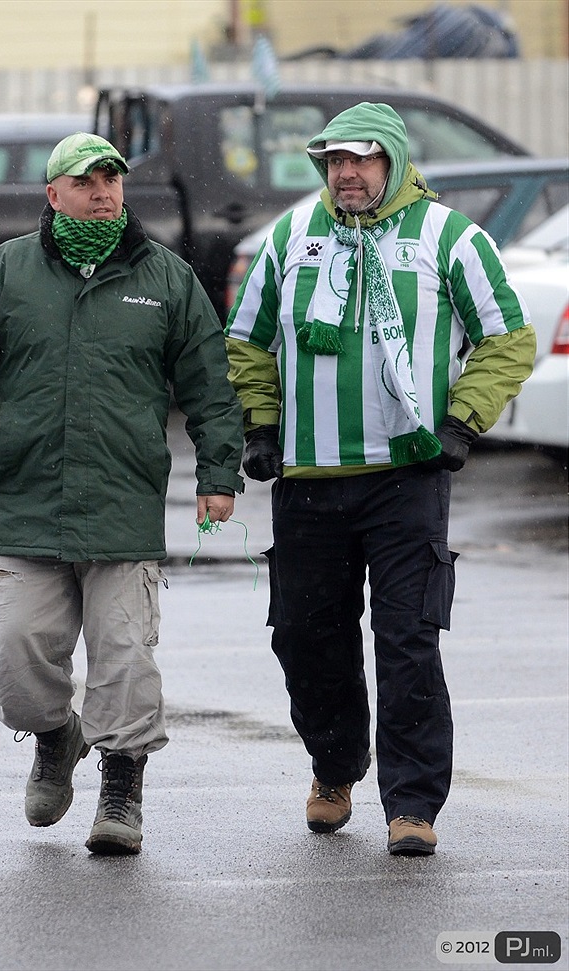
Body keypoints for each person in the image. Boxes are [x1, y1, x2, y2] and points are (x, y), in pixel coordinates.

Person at [0, 131, 245, 856]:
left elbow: (211, 384)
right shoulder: (4, 273)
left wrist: (218, 473)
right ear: (53, 195)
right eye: (86, 181)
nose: (104, 190)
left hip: (123, 502)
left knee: (124, 657)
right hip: (27, 501)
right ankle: (56, 738)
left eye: (112, 178)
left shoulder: (166, 278)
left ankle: (122, 787)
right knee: (17, 659)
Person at [224, 102, 535, 856]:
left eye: (361, 159)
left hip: (408, 478)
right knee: (306, 639)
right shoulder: (293, 236)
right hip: (307, 480)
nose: (346, 173)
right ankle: (335, 768)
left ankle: (413, 803)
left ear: (391, 161)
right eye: (334, 160)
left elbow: (508, 337)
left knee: (408, 643)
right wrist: (261, 425)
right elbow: (246, 338)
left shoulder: (448, 236)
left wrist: (462, 422)